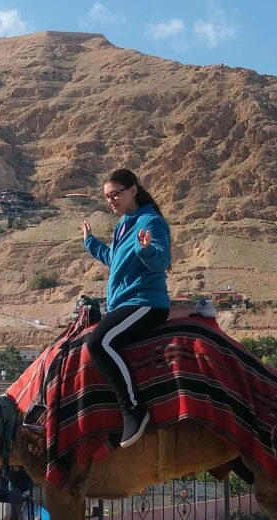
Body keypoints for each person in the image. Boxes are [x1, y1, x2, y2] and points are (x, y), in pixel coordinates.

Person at [81, 168, 172, 448]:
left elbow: (161, 260)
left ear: (133, 189)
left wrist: (146, 250)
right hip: (124, 303)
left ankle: (133, 408)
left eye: (116, 194)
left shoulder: (150, 221)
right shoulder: (123, 225)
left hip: (146, 303)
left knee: (98, 343)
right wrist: (90, 243)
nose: (111, 201)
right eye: (107, 197)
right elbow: (115, 259)